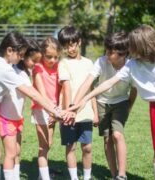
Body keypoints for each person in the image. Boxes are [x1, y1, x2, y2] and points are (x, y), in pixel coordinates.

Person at [67, 24, 155, 180]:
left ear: (144, 45)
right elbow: (108, 83)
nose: (130, 49)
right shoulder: (133, 64)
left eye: (133, 45)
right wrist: (85, 99)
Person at [0, 32, 64, 180]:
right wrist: (55, 111)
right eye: (21, 54)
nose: (21, 58)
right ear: (9, 50)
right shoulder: (6, 70)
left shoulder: (3, 64)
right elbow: (34, 94)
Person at [72, 32, 137, 180]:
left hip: (121, 102)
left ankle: (122, 174)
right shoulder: (101, 61)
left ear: (122, 53)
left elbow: (134, 90)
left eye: (111, 51)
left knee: (117, 135)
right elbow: (88, 82)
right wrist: (75, 104)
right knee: (107, 139)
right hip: (102, 102)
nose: (107, 53)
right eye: (106, 50)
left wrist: (129, 107)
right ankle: (114, 174)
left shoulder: (130, 66)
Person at [0, 39, 42, 180]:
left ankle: (15, 176)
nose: (36, 64)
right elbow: (33, 94)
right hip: (6, 118)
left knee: (17, 151)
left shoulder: (24, 72)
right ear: (24, 56)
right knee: (10, 153)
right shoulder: (14, 71)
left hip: (17, 118)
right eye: (33, 60)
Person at [58, 25, 98, 180]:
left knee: (87, 147)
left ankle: (87, 177)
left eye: (73, 44)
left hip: (86, 112)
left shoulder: (89, 63)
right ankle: (74, 178)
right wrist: (68, 112)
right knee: (71, 147)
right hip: (69, 113)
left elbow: (92, 90)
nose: (70, 48)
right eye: (66, 46)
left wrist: (95, 112)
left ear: (79, 42)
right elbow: (66, 88)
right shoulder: (63, 64)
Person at [31, 37, 62, 180]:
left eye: (56, 57)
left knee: (49, 143)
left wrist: (56, 110)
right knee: (43, 145)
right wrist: (50, 110)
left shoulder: (59, 67)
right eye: (49, 57)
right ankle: (43, 177)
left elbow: (61, 88)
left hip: (54, 109)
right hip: (41, 108)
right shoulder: (37, 67)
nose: (52, 60)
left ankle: (43, 173)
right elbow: (42, 93)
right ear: (42, 54)